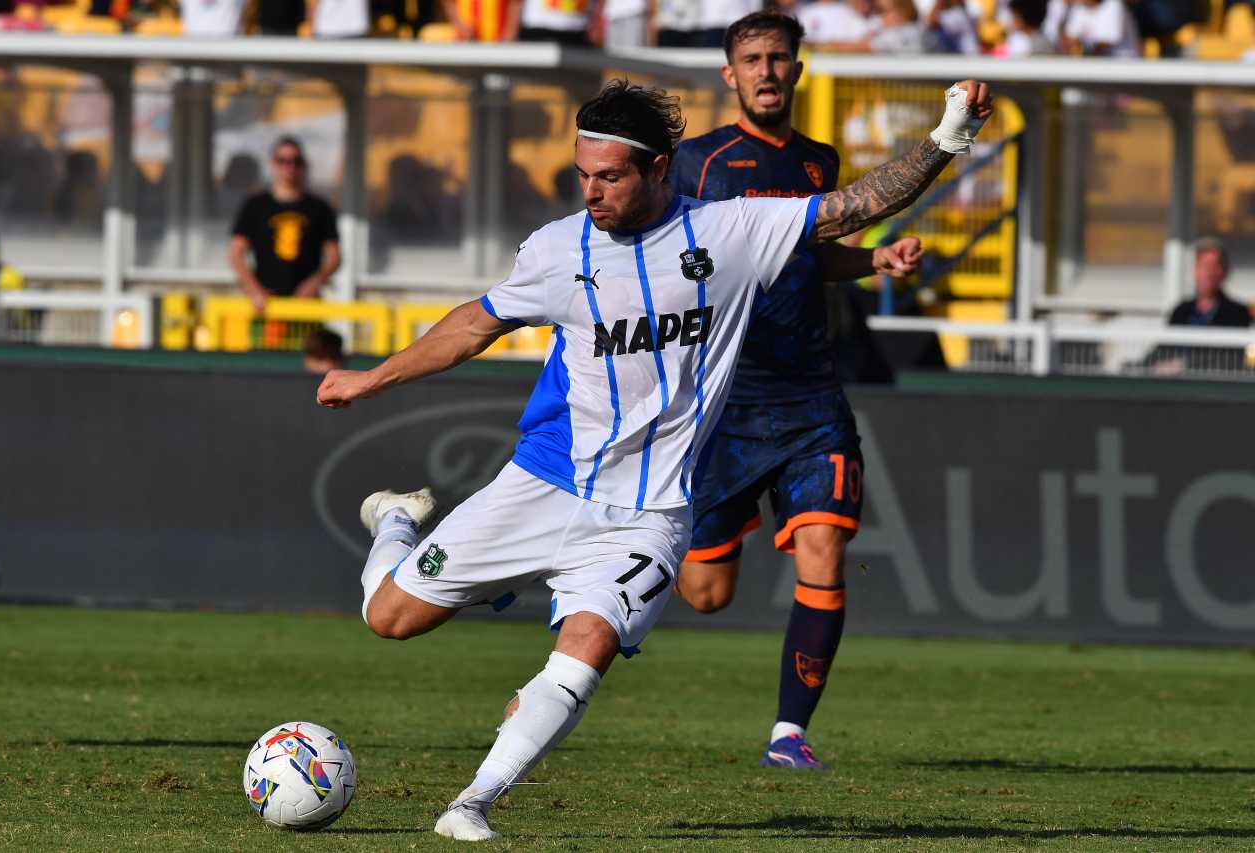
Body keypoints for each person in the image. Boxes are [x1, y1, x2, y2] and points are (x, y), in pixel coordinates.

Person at [315, 77, 990, 840]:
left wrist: (949, 138)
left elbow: (856, 205)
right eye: (582, 175)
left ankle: (472, 802)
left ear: (659, 168)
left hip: (650, 512)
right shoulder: (557, 249)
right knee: (389, 617)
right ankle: (395, 523)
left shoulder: (731, 232)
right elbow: (475, 324)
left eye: (610, 176)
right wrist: (370, 378)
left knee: (586, 649)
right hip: (545, 484)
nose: (592, 192)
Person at [669, 10, 923, 771]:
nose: (767, 71)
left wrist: (873, 260)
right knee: (705, 593)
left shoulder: (819, 161)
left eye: (779, 58)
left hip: (812, 400)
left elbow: (811, 254)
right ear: (730, 74)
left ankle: (789, 734)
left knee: (824, 548)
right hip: (725, 403)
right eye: (752, 59)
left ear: (797, 70)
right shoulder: (697, 164)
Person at [229, 137, 341, 312]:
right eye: (282, 161)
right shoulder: (255, 205)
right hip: (265, 306)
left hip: (306, 307)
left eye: (296, 161)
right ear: (273, 164)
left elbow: (334, 256)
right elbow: (236, 253)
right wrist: (254, 289)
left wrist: (315, 283)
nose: (290, 167)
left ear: (304, 165)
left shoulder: (320, 208)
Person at [1168, 238, 1251, 329]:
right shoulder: (1180, 313)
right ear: (1195, 271)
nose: (1209, 273)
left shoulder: (1238, 314)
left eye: (1214, 266)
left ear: (1224, 272)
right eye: (1204, 266)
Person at [1062, 0, 1140, 57]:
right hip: (1094, 63)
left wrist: (1083, 49)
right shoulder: (1079, 7)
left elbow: (1107, 42)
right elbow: (1069, 38)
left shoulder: (1113, 4)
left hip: (1123, 62)